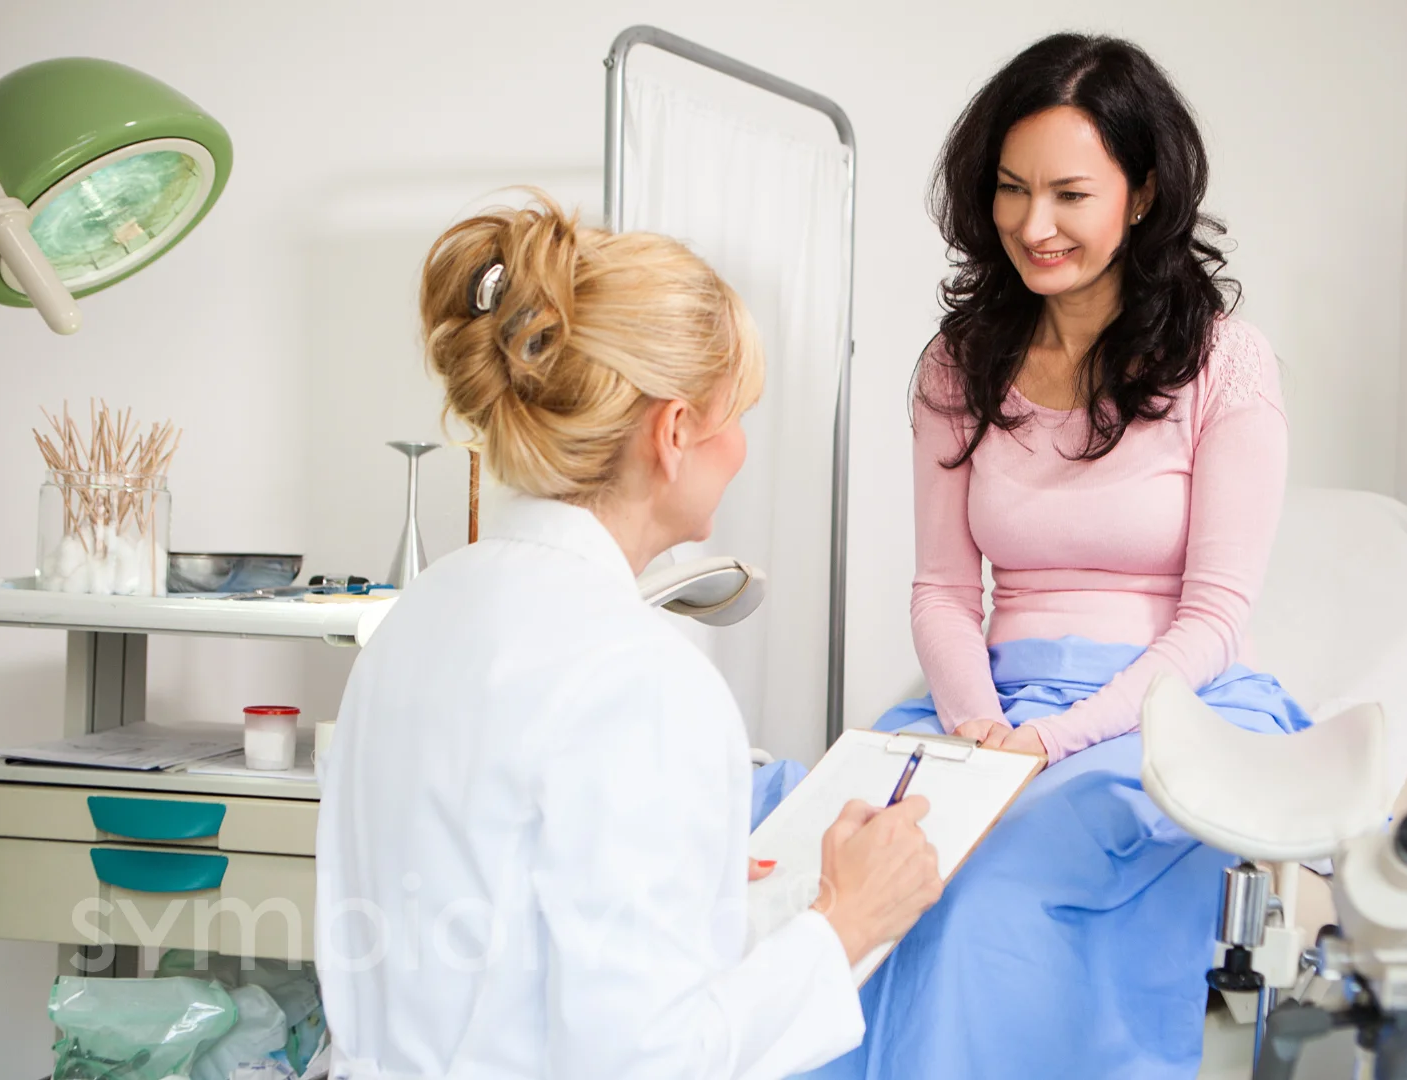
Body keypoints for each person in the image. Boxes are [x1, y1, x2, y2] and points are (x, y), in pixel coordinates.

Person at [315, 195, 943, 1080]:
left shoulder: (419, 616)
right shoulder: (641, 678)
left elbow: (487, 932)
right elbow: (648, 1062)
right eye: (738, 416)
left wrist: (702, 904)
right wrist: (849, 924)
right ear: (676, 431)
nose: (743, 451)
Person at [797, 34, 1313, 1078]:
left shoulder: (1226, 364)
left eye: (1071, 193)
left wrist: (1053, 742)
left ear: (1144, 191)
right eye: (1011, 190)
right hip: (983, 707)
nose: (1035, 226)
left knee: (981, 891)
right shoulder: (959, 363)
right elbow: (944, 590)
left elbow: (1212, 620)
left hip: (1166, 714)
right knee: (848, 863)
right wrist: (981, 725)